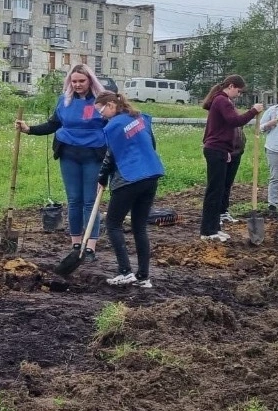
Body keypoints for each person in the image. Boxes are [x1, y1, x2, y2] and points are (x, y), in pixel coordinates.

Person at [15, 64, 106, 261]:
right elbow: (53, 125)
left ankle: (89, 247)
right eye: (74, 81)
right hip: (69, 154)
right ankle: (75, 244)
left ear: (90, 80)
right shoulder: (64, 101)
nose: (77, 84)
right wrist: (29, 129)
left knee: (90, 202)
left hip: (94, 155)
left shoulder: (101, 102)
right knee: (74, 200)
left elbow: (113, 125)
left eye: (81, 81)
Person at [94, 92, 165, 288]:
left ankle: (125, 271)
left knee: (113, 224)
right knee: (139, 227)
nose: (102, 115)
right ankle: (144, 277)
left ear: (110, 105)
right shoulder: (139, 118)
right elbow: (152, 145)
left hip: (130, 177)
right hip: (151, 174)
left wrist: (101, 177)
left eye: (101, 111)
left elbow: (111, 155)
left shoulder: (114, 126)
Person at [200, 75, 263, 242]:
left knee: (219, 190)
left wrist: (227, 149)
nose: (239, 94)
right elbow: (234, 121)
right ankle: (207, 231)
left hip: (220, 149)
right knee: (214, 191)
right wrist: (253, 111)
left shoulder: (223, 100)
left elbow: (221, 127)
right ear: (231, 86)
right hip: (215, 150)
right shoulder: (222, 100)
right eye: (239, 91)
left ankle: (215, 228)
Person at [260, 87, 278, 217]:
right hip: (275, 149)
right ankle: (273, 204)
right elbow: (259, 128)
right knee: (276, 177)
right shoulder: (273, 110)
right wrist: (269, 124)